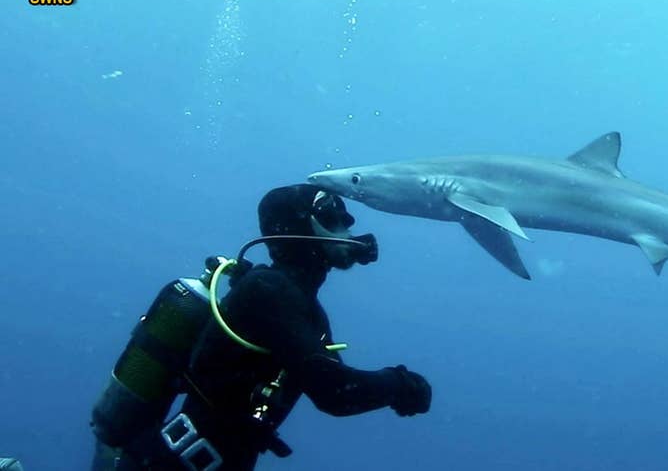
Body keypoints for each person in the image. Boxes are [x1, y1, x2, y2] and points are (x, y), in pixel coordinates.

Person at [91, 184, 432, 470]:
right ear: (296, 227)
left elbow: (332, 380)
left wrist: (393, 387)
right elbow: (336, 393)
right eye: (330, 215)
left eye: (345, 216)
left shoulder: (300, 306)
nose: (346, 223)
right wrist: (399, 384)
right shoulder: (268, 292)